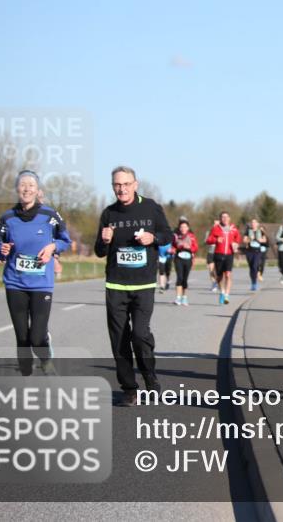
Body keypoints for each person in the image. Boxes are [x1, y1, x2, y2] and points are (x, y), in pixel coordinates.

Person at [94, 166, 172, 406]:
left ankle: (150, 377)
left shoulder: (151, 208)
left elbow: (168, 235)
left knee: (139, 334)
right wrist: (105, 241)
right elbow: (99, 251)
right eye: (117, 185)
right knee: (119, 339)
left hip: (143, 283)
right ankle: (129, 388)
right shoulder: (109, 214)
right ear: (113, 187)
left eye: (126, 184)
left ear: (135, 184)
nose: (122, 189)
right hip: (116, 284)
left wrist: (153, 238)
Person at [0, 170, 72, 376]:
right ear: (17, 189)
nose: (27, 188)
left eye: (31, 185)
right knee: (22, 336)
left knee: (37, 338)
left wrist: (53, 248)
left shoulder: (50, 216)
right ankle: (26, 375)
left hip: (41, 284)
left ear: (38, 191)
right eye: (23, 185)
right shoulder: (7, 218)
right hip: (14, 283)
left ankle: (46, 359)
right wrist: (1, 250)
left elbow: (65, 240)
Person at [206, 212, 241, 305]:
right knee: (219, 277)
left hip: (229, 254)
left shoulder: (233, 228)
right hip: (218, 254)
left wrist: (236, 245)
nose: (225, 219)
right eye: (223, 217)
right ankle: (222, 291)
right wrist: (216, 240)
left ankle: (227, 295)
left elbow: (238, 238)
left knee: (228, 275)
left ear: (229, 218)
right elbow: (208, 240)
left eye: (226, 217)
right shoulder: (216, 228)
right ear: (220, 219)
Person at [172, 217, 198, 306]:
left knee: (185, 279)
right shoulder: (175, 236)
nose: (183, 229)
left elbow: (196, 248)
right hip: (178, 258)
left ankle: (184, 297)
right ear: (179, 228)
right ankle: (178, 298)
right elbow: (172, 246)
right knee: (179, 277)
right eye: (181, 227)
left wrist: (189, 247)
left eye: (185, 227)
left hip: (188, 258)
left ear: (188, 228)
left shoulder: (191, 236)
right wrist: (175, 248)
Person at [243, 218, 268, 291]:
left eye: (254, 222)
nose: (253, 224)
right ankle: (253, 282)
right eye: (252, 223)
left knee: (255, 266)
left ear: (257, 224)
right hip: (249, 251)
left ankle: (255, 283)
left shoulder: (260, 231)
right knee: (251, 268)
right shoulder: (248, 231)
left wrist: (260, 240)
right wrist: (249, 239)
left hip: (257, 251)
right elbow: (244, 240)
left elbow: (265, 240)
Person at [206, 219, 219, 292]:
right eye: (214, 223)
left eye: (217, 224)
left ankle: (218, 282)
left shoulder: (222, 232)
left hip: (219, 253)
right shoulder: (209, 232)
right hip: (211, 252)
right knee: (211, 269)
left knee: (217, 270)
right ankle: (214, 283)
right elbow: (206, 241)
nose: (215, 225)